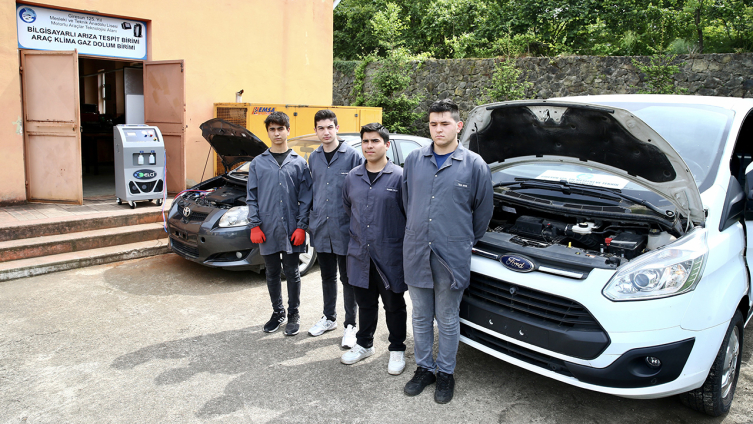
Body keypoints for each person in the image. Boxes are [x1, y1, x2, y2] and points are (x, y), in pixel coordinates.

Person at [401, 99, 494, 403]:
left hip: (451, 255)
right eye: (433, 124)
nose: (438, 129)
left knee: (448, 317)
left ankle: (445, 372)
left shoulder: (475, 165)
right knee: (420, 316)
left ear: (458, 125)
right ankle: (424, 368)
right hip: (417, 249)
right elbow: (407, 201)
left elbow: (482, 213)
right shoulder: (414, 160)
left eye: (444, 123)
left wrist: (460, 239)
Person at [340, 123, 408, 375]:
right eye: (365, 141)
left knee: (394, 305)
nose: (369, 146)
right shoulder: (352, 177)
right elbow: (349, 209)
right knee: (365, 303)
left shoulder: (399, 177)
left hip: (390, 255)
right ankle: (364, 344)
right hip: (360, 254)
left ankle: (397, 348)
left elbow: (408, 214)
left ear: (386, 145)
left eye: (375, 141)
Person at [246, 111, 313, 336]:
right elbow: (252, 196)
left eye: (280, 129)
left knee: (292, 272)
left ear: (288, 130)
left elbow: (306, 198)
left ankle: (294, 313)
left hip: (292, 228)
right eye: (272, 129)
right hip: (267, 228)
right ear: (268, 132)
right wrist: (255, 225)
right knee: (272, 272)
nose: (276, 133)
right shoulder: (258, 163)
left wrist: (301, 226)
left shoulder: (299, 163)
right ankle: (278, 312)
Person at [306, 109, 364, 348]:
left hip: (345, 228)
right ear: (316, 131)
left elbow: (361, 191)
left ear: (337, 128)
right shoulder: (314, 157)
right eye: (321, 128)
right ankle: (329, 318)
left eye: (330, 127)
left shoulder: (352, 156)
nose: (326, 132)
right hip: (322, 226)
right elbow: (312, 191)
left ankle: (351, 325)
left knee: (348, 278)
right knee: (326, 275)